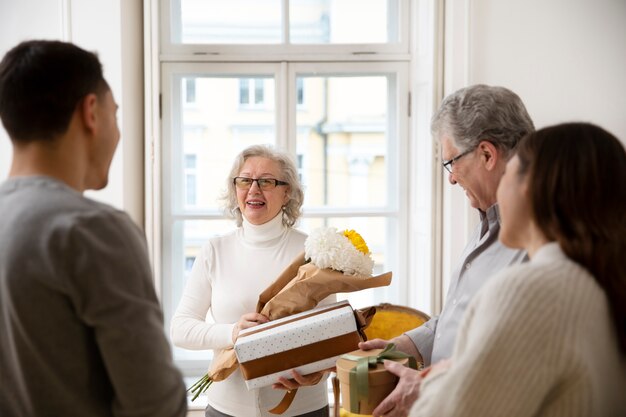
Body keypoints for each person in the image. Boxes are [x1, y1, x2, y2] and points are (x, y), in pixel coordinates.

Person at [0, 41, 186, 416]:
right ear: (91, 112)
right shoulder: (91, 230)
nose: (117, 133)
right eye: (114, 114)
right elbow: (155, 406)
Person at [394, 122, 626, 417]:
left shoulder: (529, 290)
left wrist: (438, 378)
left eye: (509, 174)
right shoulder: (601, 282)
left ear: (530, 189)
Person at [359, 84, 534, 416]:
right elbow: (461, 317)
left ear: (486, 154)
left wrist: (428, 383)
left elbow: (519, 353)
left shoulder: (538, 238)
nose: (452, 179)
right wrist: (400, 347)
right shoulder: (485, 222)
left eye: (451, 162)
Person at [170, 144, 332, 417]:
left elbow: (331, 337)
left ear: (287, 192)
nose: (254, 189)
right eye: (245, 180)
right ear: (235, 189)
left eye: (267, 181)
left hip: (304, 409)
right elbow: (180, 329)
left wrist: (316, 374)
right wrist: (233, 333)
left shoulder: (314, 251)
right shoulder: (215, 250)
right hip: (227, 410)